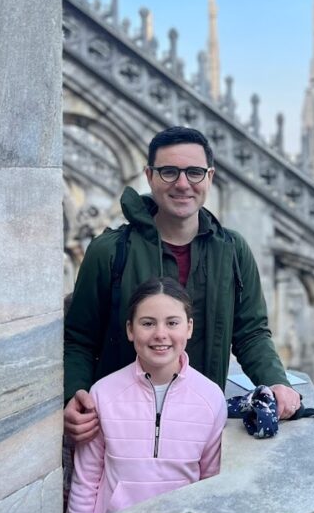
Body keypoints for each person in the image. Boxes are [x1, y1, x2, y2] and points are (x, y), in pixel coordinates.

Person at [64, 126, 301, 446]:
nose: (182, 183)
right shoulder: (109, 251)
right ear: (149, 176)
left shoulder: (233, 251)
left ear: (210, 177)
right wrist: (73, 394)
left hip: (200, 430)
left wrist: (275, 381)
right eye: (169, 172)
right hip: (119, 431)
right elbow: (79, 338)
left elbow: (251, 332)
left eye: (194, 172)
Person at [65, 278, 226, 513]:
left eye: (172, 323)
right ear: (131, 330)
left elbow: (211, 481)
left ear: (189, 328)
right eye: (148, 323)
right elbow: (86, 481)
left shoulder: (211, 398)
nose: (160, 334)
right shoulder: (103, 393)